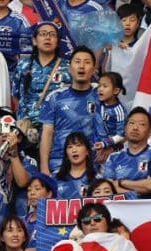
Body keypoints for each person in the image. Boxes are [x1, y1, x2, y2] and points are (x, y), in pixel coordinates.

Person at [38, 47, 108, 176]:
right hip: (59, 163)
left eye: (87, 62)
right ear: (70, 68)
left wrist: (111, 148)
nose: (82, 66)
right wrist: (44, 167)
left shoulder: (102, 95)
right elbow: (47, 134)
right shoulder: (55, 97)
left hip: (94, 165)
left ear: (93, 70)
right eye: (77, 61)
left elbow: (119, 125)